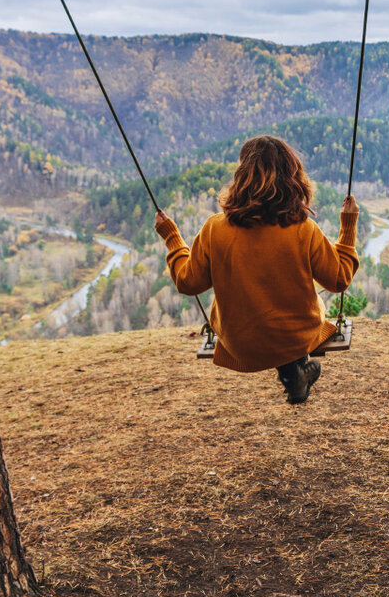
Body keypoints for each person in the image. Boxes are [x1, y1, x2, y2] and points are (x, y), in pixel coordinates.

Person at [153, 135, 360, 404]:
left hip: (241, 344)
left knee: (269, 319)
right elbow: (339, 279)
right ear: (292, 177)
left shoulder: (215, 229)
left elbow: (187, 282)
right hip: (296, 337)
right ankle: (294, 372)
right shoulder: (303, 229)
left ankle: (293, 377)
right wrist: (348, 225)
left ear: (241, 177)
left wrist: (172, 238)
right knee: (296, 318)